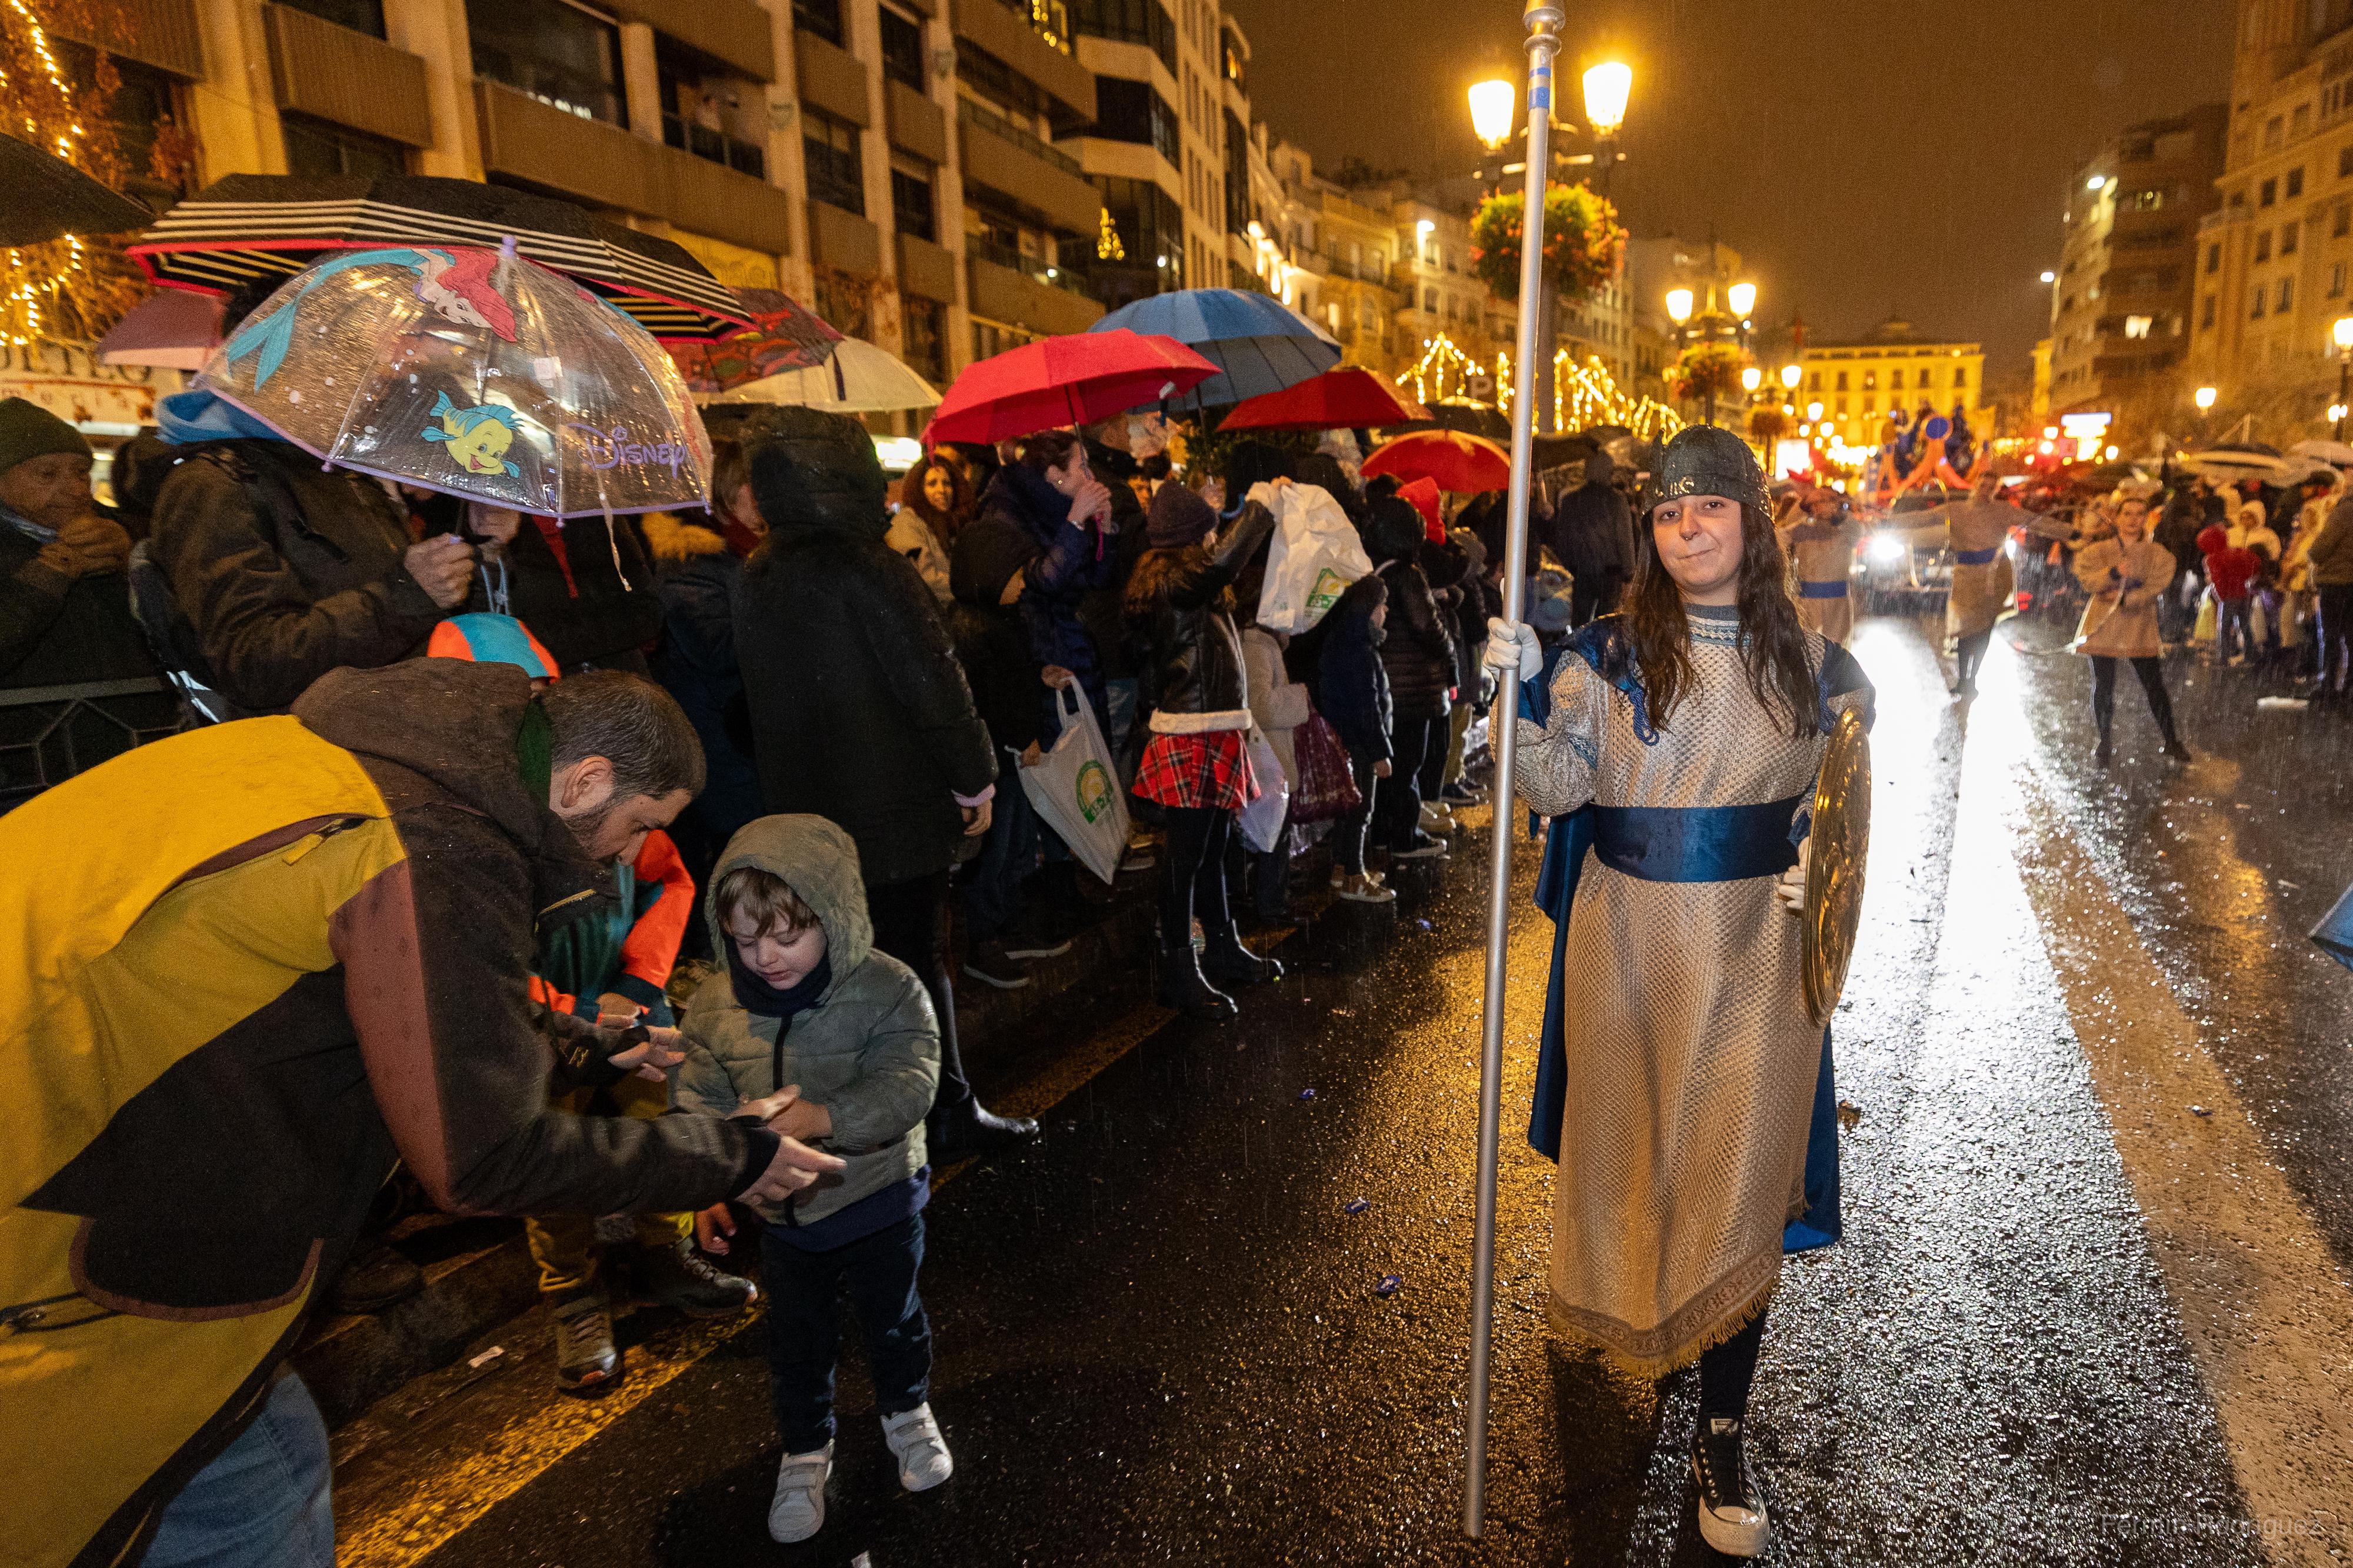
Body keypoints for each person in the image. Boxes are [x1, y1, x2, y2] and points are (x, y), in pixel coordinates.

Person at [0, 657, 841, 1568]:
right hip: (53, 1230)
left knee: (267, 1445)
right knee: (250, 1500)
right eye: (639, 826)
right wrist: (734, 1152)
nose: (631, 858)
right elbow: (484, 1156)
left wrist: (578, 1041)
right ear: (587, 780)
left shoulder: (358, 754)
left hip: (76, 1138)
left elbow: (408, 987)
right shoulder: (441, 841)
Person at [1487, 425, 1874, 1560]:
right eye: (1667, 511)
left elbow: (1838, 807)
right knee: (1649, 1160)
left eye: (1709, 507)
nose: (1686, 526)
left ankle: (1722, 1425)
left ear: (1753, 523)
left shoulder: (1818, 663)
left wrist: (1819, 847)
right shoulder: (1605, 654)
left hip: (1762, 949)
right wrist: (1514, 700)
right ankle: (1660, 1350)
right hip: (1630, 946)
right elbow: (1559, 787)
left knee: (1736, 1176)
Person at [731, 406, 1035, 1155]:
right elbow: (936, 685)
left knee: (835, 970)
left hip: (807, 822)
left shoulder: (755, 574)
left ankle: (853, 1116)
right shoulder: (872, 567)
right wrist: (976, 781)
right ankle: (942, 1111)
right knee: (914, 970)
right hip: (897, 816)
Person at [674, 816, 951, 1545]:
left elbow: (911, 1082)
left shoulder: (889, 988)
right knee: (796, 1337)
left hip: (878, 1198)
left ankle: (906, 1408)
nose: (765, 956)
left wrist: (821, 1115)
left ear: (835, 915)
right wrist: (709, 1179)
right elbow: (696, 1095)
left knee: (892, 1315)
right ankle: (804, 1447)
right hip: (782, 1222)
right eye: (743, 938)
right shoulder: (712, 1005)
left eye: (787, 934)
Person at [145, 386, 472, 716]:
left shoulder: (348, 475)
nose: (373, 391)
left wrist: (479, 553)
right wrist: (405, 594)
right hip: (314, 746)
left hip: (404, 718)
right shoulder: (213, 484)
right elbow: (252, 664)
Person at [1125, 478, 1281, 1021]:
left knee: (1212, 851)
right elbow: (1221, 566)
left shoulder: (1186, 582)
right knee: (1183, 859)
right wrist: (1258, 504)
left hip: (1212, 728)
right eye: (1210, 530)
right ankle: (1178, 971)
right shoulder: (1174, 578)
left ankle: (1222, 947)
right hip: (1191, 732)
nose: (1217, 539)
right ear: (1191, 537)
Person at [0, 398, 176, 795]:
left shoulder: (125, 531)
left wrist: (135, 558)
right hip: (29, 768)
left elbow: (192, 621)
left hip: (146, 744)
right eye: (47, 474)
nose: (76, 489)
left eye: (82, 472)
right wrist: (44, 579)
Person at [944, 508, 1074, 989]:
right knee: (995, 853)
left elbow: (1015, 677)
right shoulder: (972, 630)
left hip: (1012, 759)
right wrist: (1025, 738)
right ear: (991, 572)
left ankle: (1007, 924)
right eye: (1017, 574)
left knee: (1016, 845)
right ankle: (986, 941)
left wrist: (1040, 673)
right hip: (998, 762)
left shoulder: (998, 618)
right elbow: (991, 700)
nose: (1024, 583)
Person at [645, 441, 766, 942]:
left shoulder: (743, 553)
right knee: (728, 861)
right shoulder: (691, 558)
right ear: (736, 493)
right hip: (717, 741)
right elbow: (716, 650)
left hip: (741, 737)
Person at [1364, 493, 1455, 863]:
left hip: (1389, 690)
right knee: (1408, 768)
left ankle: (1385, 837)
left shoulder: (1378, 572)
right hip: (1415, 691)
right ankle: (1405, 838)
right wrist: (1448, 646)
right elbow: (1426, 626)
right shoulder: (1409, 575)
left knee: (1391, 770)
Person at [2074, 493, 2190, 765]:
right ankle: (2104, 740)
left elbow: (2156, 585)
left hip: (2139, 622)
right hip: (2104, 621)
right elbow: (2087, 579)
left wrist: (2129, 598)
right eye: (2128, 514)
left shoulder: (2157, 554)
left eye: (2140, 514)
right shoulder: (2098, 551)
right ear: (2117, 517)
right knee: (2103, 684)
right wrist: (2113, 573)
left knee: (2154, 684)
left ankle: (2171, 741)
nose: (2134, 520)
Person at [1911, 466, 2031, 695]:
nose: (1986, 490)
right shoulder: (1956, 510)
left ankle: (1972, 677)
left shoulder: (2003, 511)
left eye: (1991, 487)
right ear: (1975, 485)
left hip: (1994, 576)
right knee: (1965, 627)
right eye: (1983, 484)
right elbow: (1923, 518)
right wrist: (1889, 521)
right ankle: (1964, 677)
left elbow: (2034, 520)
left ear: (1995, 490)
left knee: (1984, 629)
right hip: (1966, 575)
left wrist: (2071, 533)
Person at [1317, 573, 1396, 905]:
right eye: (1381, 605)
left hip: (1343, 739)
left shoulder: (1339, 641)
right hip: (1360, 745)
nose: (1386, 611)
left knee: (1347, 810)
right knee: (1360, 811)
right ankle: (1355, 875)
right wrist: (1380, 752)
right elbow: (1368, 707)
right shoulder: (1361, 652)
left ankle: (1341, 869)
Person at [1546, 447, 1635, 625]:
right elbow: (1624, 538)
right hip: (1610, 573)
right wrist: (1629, 572)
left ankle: (1579, 652)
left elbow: (1563, 538)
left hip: (1580, 571)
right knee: (1606, 623)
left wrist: (1567, 565)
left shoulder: (1572, 500)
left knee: (1580, 622)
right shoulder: (1616, 500)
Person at [1773, 489, 1863, 648]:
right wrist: (1802, 504)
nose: (1822, 506)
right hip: (1807, 600)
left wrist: (1838, 515)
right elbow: (1779, 537)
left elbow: (1857, 531)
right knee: (1807, 649)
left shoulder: (1844, 529)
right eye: (1817, 502)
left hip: (1837, 602)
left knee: (1836, 651)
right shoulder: (1803, 528)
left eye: (1827, 501)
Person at [888, 453, 968, 603]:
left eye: (947, 483)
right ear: (918, 489)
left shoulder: (948, 524)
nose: (942, 490)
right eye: (932, 484)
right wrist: (970, 590)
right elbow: (925, 578)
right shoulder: (907, 523)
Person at [2309, 478, 2353, 699]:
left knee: (2331, 635)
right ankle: (2348, 686)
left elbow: (2321, 547)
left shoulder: (2345, 510)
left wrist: (2312, 552)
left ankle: (2327, 684)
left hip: (2337, 581)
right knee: (2351, 635)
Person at [2207, 504, 2264, 666]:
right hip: (2243, 593)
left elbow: (2218, 580)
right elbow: (2255, 563)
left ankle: (2223, 657)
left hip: (2228, 596)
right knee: (2244, 626)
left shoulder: (2215, 558)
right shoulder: (2237, 553)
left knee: (2224, 628)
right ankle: (2251, 655)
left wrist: (2221, 596)